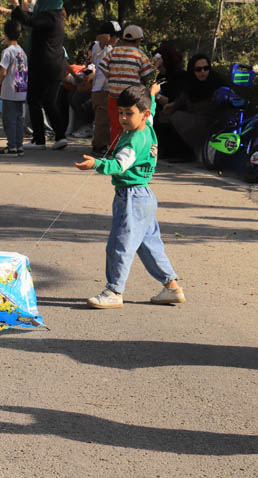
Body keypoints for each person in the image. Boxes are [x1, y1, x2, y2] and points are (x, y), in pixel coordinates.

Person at [74, 84, 185, 309]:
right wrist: (151, 94)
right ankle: (172, 288)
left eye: (129, 113)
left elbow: (119, 165)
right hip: (145, 196)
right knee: (150, 245)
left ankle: (114, 291)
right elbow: (151, 111)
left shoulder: (134, 141)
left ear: (142, 114)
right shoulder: (147, 127)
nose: (123, 118)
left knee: (119, 244)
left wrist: (96, 164)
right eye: (120, 112)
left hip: (131, 197)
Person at [12, 0, 68, 150]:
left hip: (43, 66)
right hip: (56, 67)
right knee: (50, 102)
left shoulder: (49, 18)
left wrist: (16, 5)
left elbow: (28, 20)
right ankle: (60, 137)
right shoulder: (56, 16)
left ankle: (39, 140)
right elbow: (30, 14)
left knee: (34, 100)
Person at [97, 24, 154, 146]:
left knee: (115, 124)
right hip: (130, 98)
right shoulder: (140, 55)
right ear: (138, 40)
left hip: (113, 96)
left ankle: (114, 149)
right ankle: (128, 148)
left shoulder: (114, 51)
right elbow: (148, 74)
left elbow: (102, 66)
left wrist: (111, 77)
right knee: (130, 125)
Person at [166, 53, 227, 161]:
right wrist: (173, 105)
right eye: (198, 69)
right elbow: (183, 99)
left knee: (177, 117)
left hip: (213, 123)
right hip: (196, 119)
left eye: (206, 68)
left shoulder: (217, 82)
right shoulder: (190, 83)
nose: (203, 72)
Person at [0, 19, 28, 157]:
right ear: (19, 35)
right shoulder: (22, 52)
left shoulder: (7, 51)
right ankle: (19, 145)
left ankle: (11, 146)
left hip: (10, 90)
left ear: (5, 35)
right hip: (21, 88)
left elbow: (3, 71)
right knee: (19, 119)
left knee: (9, 119)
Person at [89, 21, 122, 155]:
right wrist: (103, 39)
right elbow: (100, 46)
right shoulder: (98, 47)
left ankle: (106, 144)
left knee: (108, 119)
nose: (117, 39)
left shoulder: (111, 49)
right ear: (108, 36)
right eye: (116, 36)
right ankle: (98, 145)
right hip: (100, 90)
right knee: (101, 119)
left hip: (108, 89)